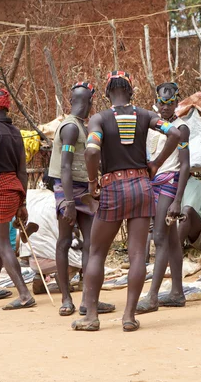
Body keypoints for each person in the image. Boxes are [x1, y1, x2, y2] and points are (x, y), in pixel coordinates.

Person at [71, 71, 180, 332]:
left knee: (96, 252)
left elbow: (91, 150)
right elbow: (175, 133)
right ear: (131, 92)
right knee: (138, 255)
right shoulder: (146, 116)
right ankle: (129, 316)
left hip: (112, 188)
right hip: (142, 187)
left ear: (107, 94)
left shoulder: (99, 119)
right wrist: (155, 164)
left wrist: (93, 182)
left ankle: (92, 317)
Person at [48, 82, 115, 317]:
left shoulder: (79, 127)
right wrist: (68, 202)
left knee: (91, 243)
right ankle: (66, 299)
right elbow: (64, 167)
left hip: (81, 189)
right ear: (88, 103)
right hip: (68, 190)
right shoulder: (70, 128)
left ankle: (89, 300)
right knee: (65, 241)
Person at [136, 83, 190, 313]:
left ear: (177, 104)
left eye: (169, 104)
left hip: (169, 183)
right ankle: (177, 292)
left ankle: (153, 296)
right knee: (171, 239)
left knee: (159, 237)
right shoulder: (153, 126)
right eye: (161, 103)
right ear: (156, 102)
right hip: (154, 183)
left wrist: (178, 200)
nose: (165, 108)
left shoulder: (181, 128)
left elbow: (185, 165)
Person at [0, 88, 34, 310]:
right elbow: (23, 171)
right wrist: (22, 201)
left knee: (2, 244)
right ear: (6, 107)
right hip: (14, 190)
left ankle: (24, 294)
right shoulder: (16, 133)